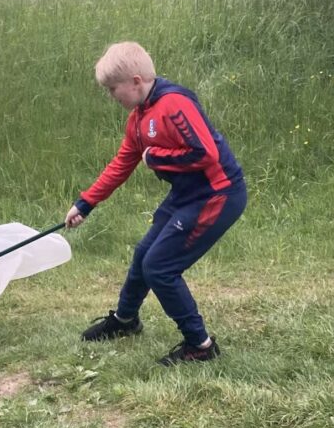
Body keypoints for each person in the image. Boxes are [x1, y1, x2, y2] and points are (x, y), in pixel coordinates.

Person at [65, 42, 246, 365]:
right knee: (144, 254)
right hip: (186, 194)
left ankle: (200, 346)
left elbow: (205, 153)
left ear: (136, 81)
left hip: (216, 195)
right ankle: (125, 320)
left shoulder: (174, 104)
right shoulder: (138, 118)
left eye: (113, 88)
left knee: (160, 267)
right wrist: (86, 203)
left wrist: (154, 156)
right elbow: (121, 164)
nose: (111, 96)